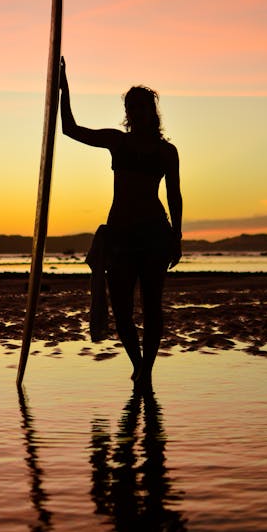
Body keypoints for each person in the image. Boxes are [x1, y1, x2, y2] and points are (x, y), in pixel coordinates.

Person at [59, 57, 182, 392]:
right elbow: (70, 129)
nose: (136, 112)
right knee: (122, 311)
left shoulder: (166, 152)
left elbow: (175, 197)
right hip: (120, 237)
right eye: (131, 107)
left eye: (142, 107)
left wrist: (177, 238)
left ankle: (147, 370)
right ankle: (138, 365)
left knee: (153, 308)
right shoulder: (118, 142)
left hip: (155, 235)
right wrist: (63, 86)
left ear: (152, 112)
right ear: (127, 113)